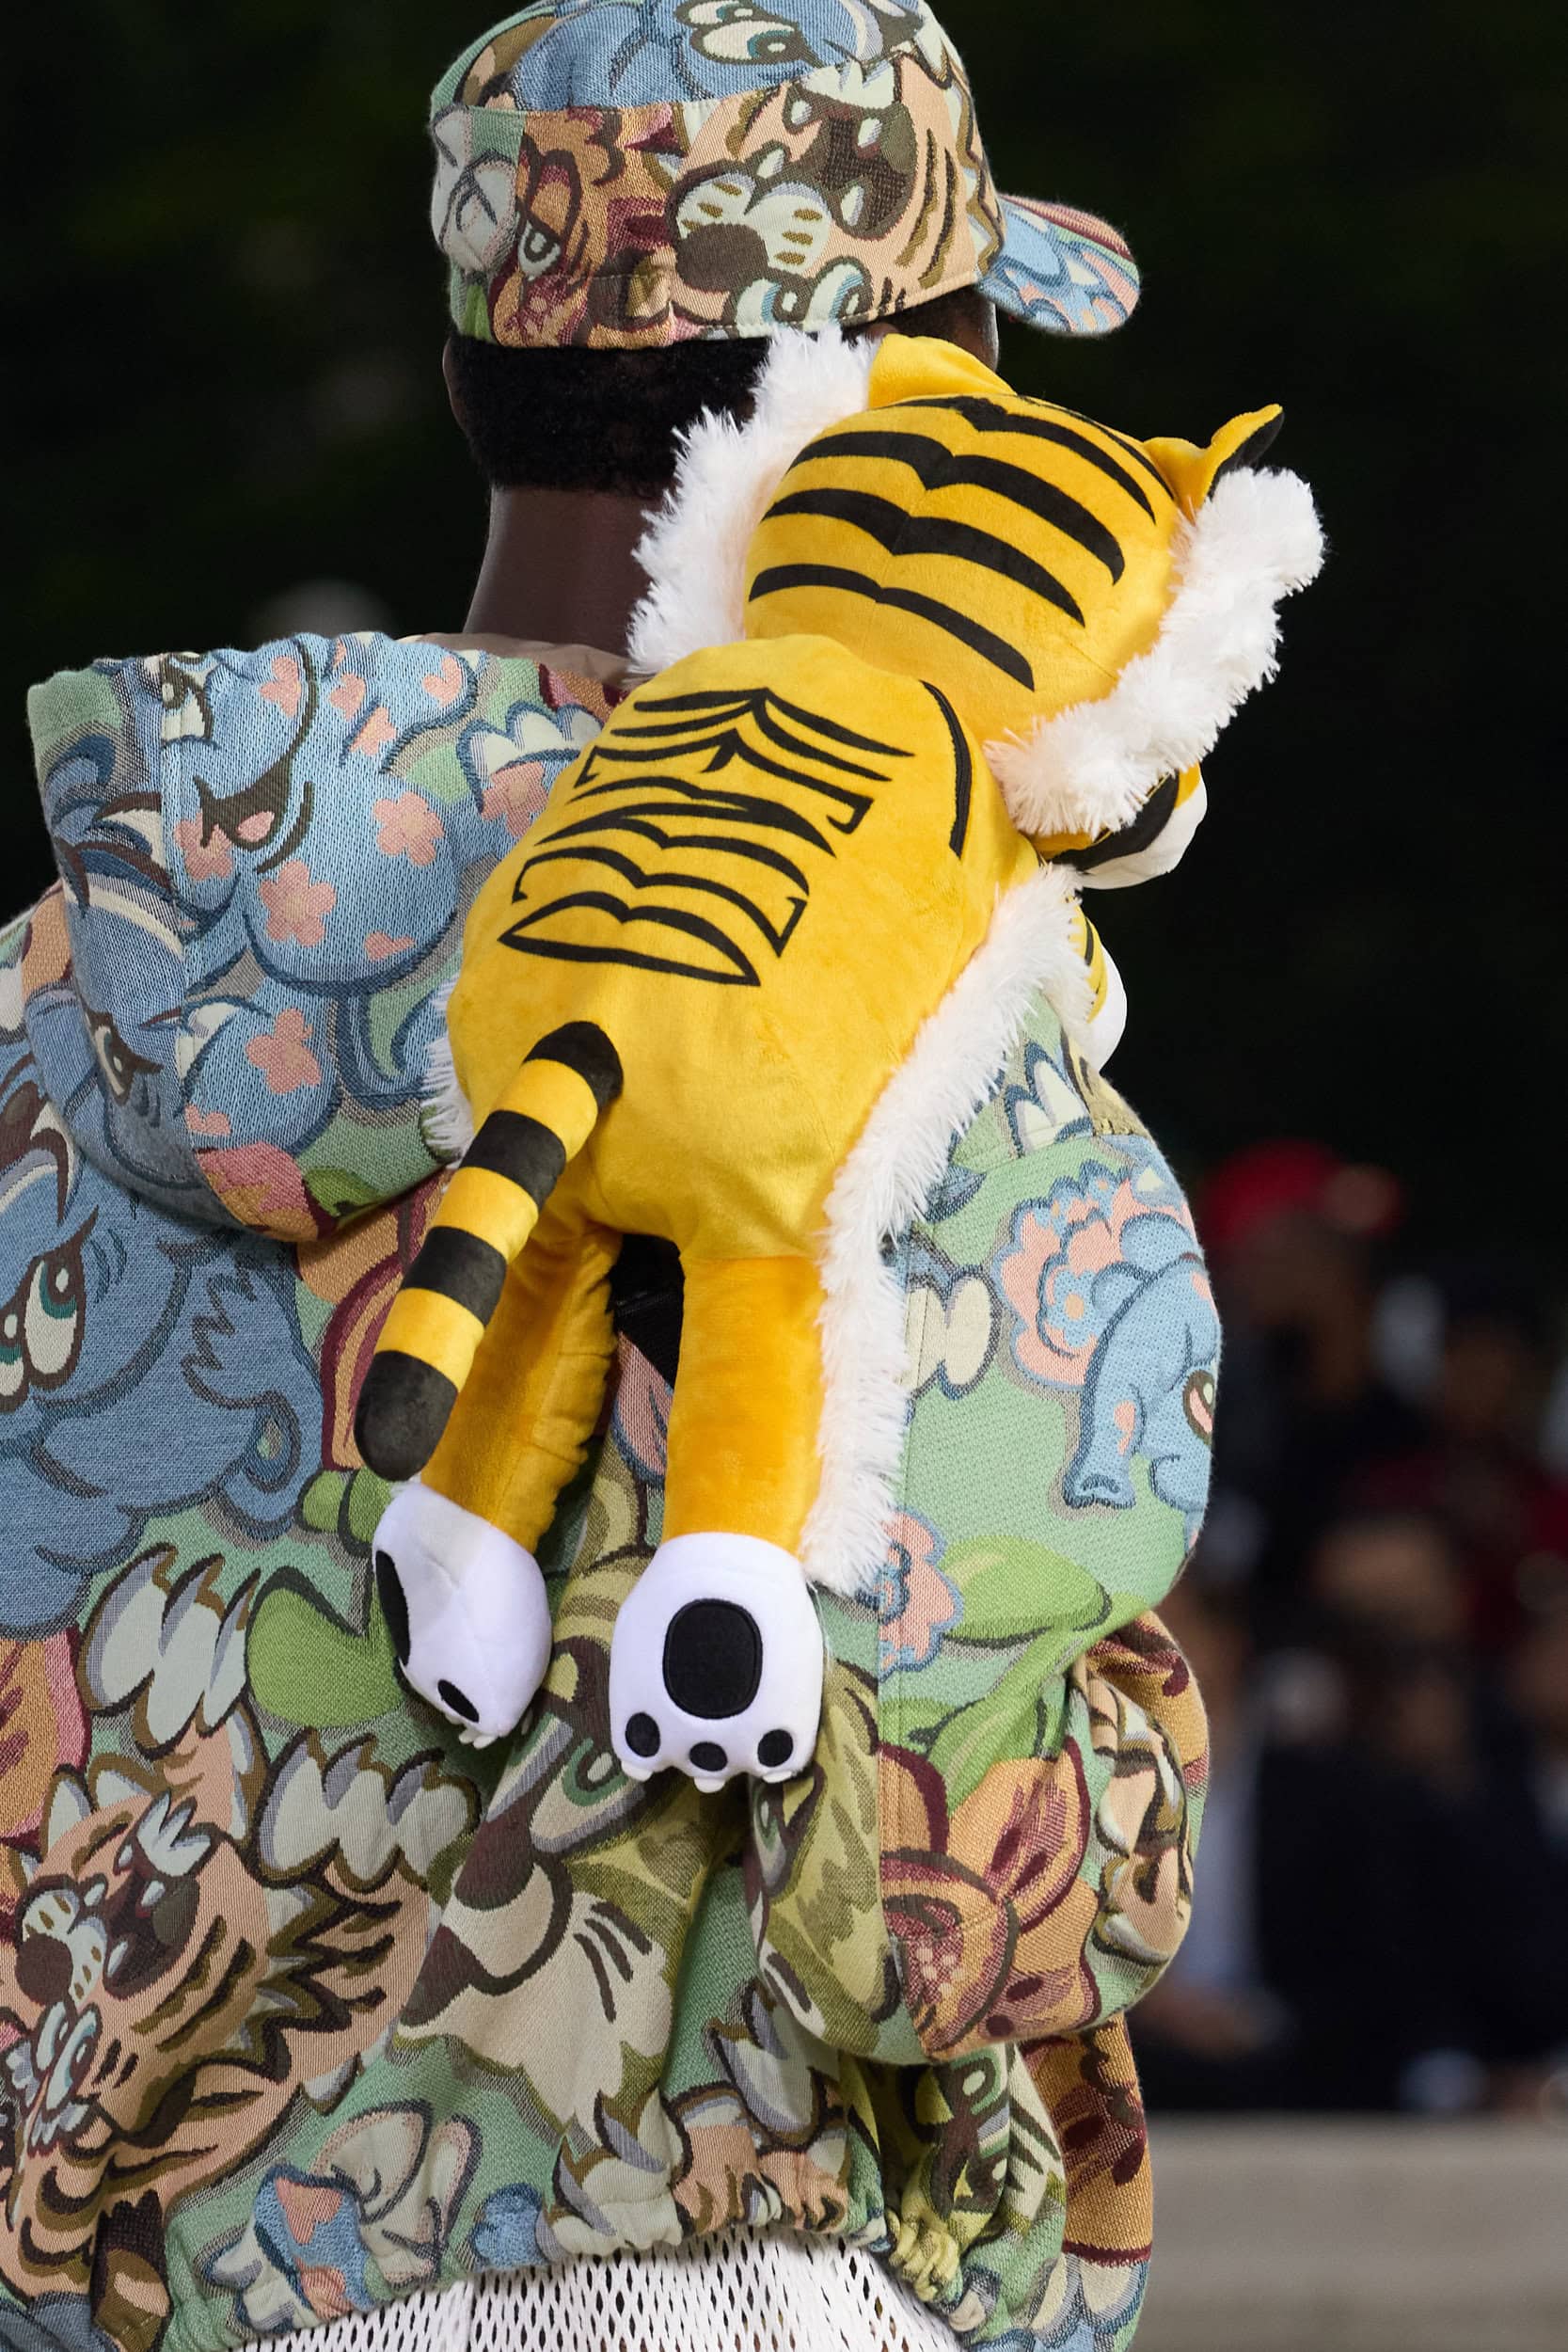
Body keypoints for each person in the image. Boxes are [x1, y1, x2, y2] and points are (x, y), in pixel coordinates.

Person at [0, 8, 1211, 2350]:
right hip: (750, 2269)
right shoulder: (928, 996)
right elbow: (964, 1886)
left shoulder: (72, 973)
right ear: (893, 414)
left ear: (481, 376)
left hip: (160, 2286)